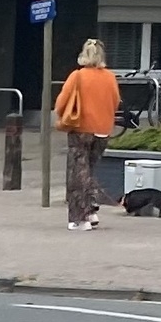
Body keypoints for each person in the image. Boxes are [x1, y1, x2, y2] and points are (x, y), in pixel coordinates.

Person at [53, 37, 120, 231]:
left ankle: (79, 218)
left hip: (80, 129)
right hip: (102, 130)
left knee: (78, 174)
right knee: (89, 171)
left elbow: (60, 103)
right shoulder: (110, 77)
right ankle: (91, 211)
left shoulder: (78, 76)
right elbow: (115, 102)